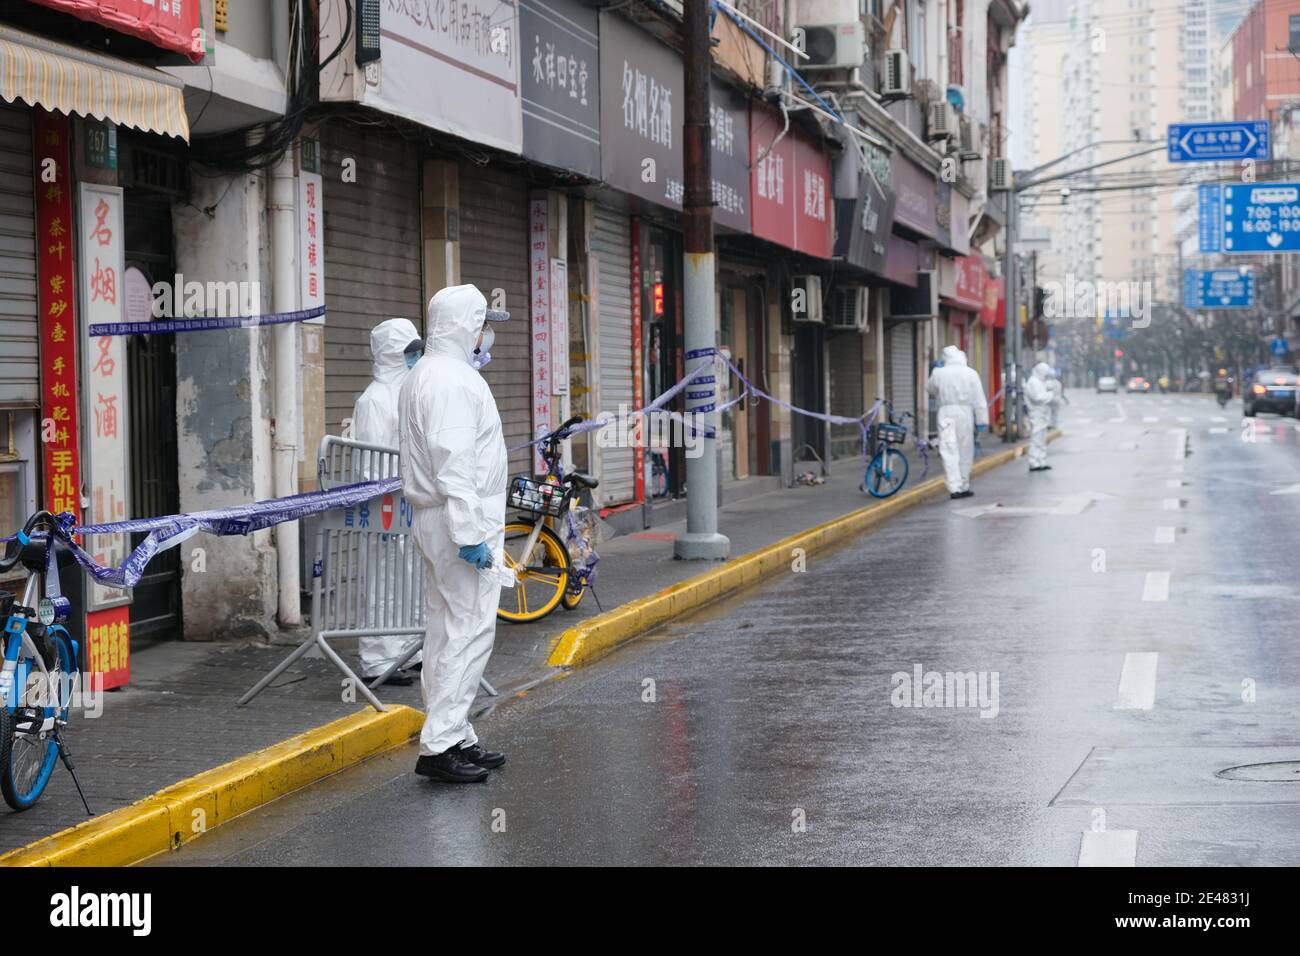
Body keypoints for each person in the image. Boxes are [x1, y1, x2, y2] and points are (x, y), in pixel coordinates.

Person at [399, 285, 508, 784]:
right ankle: (441, 743)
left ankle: (455, 732)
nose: (488, 334)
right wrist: (469, 532)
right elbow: (454, 462)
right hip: (457, 520)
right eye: (484, 322)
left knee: (445, 631)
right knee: (467, 631)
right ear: (467, 324)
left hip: (440, 519)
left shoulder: (431, 373)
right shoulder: (449, 380)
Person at [352, 318, 424, 686]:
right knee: (381, 585)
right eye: (407, 352)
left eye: (416, 351)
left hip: (408, 504)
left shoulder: (404, 394)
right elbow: (371, 463)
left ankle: (409, 652)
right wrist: (383, 506)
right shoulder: (374, 400)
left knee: (409, 582)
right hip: (384, 507)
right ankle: (378, 661)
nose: (414, 358)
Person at [926, 345, 989, 499]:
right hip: (964, 414)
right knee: (965, 449)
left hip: (946, 414)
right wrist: (982, 420)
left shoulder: (939, 373)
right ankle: (964, 484)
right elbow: (979, 398)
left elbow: (930, 389)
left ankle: (954, 488)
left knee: (949, 450)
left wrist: (936, 373)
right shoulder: (971, 373)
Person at [1025, 362, 1057, 472]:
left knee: (1042, 439)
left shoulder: (1039, 381)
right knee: (1036, 439)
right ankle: (1034, 462)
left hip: (1042, 414)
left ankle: (1041, 461)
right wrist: (1050, 395)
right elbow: (1038, 398)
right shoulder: (1033, 382)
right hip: (1036, 414)